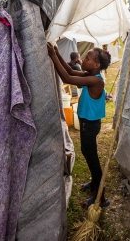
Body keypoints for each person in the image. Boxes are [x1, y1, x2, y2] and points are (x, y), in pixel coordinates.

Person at [46, 42, 111, 208]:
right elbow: (70, 71)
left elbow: (67, 78)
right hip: (87, 123)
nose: (83, 59)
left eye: (87, 57)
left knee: (92, 158)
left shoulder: (96, 81)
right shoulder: (90, 76)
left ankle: (101, 197)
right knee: (87, 152)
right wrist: (57, 53)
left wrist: (53, 57)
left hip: (89, 125)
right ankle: (93, 183)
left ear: (96, 64)